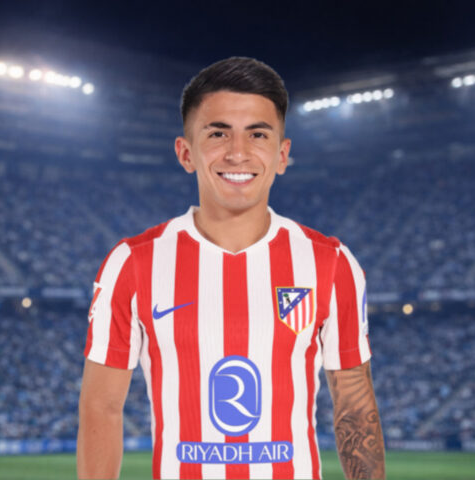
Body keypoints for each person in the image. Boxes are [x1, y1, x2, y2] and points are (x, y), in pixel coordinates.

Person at [77, 56, 385, 480]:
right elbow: (102, 406)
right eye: (218, 133)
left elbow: (354, 406)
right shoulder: (132, 263)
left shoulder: (331, 262)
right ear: (186, 153)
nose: (238, 153)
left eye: (257, 134)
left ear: (282, 154)